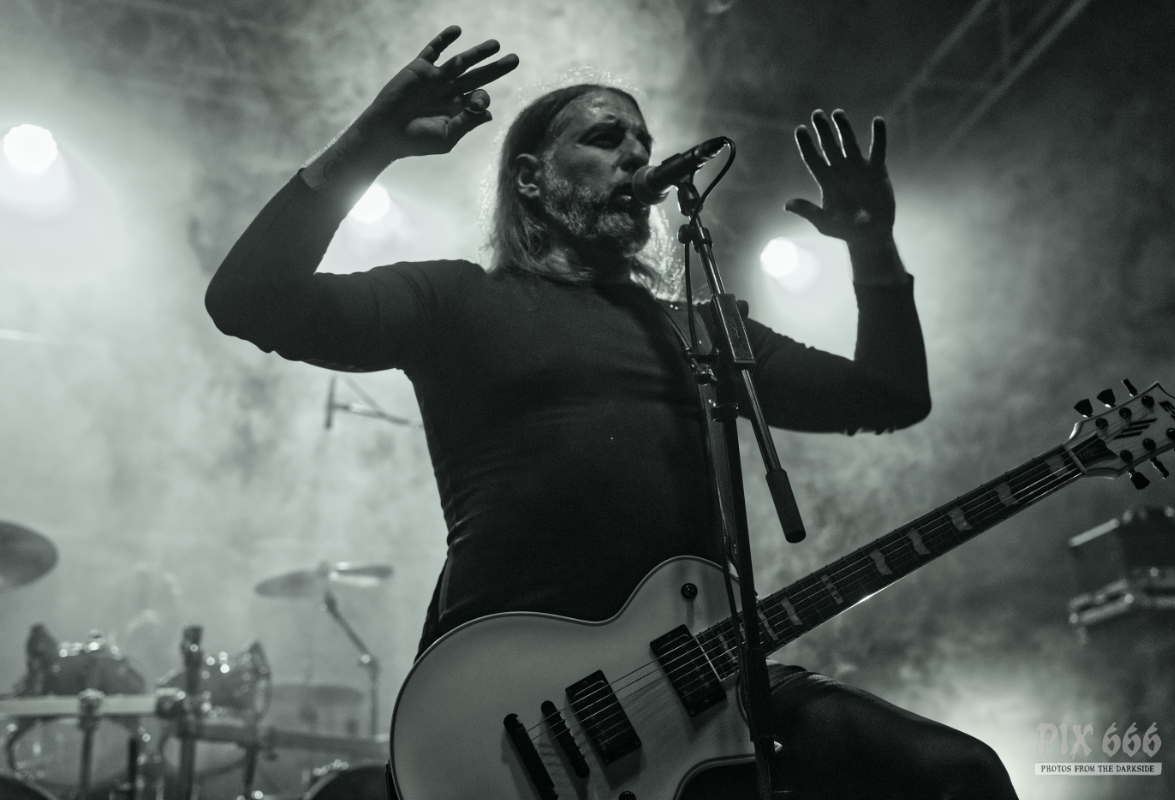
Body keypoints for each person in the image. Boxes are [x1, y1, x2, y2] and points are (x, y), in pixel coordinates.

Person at [205, 25, 1018, 800]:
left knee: (957, 775)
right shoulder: (455, 299)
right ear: (531, 178)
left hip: (700, 684)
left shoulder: (705, 329)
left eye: (641, 140)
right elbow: (249, 299)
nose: (635, 153)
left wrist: (871, 244)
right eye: (603, 138)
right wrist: (372, 142)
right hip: (516, 707)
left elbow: (890, 397)